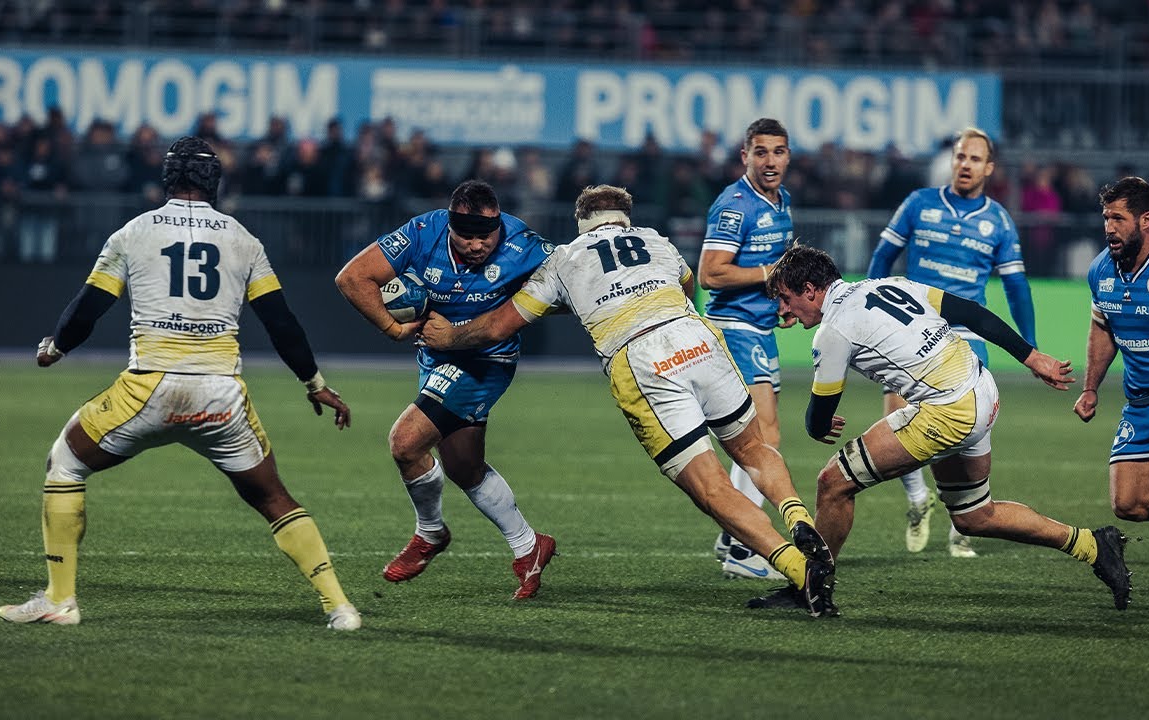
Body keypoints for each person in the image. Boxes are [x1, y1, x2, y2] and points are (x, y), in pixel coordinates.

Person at [0, 137, 362, 631]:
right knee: (273, 497)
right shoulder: (243, 239)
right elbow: (282, 323)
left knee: (65, 462)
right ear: (216, 181)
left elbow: (88, 308)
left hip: (149, 388)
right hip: (222, 396)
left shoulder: (134, 233)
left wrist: (56, 348)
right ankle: (340, 606)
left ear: (168, 178)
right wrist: (313, 382)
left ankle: (60, 600)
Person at [419, 185, 838, 616]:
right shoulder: (657, 240)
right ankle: (801, 522)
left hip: (643, 357)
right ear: (626, 219)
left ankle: (799, 569)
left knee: (710, 486)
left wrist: (451, 336)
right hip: (697, 336)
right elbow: (688, 284)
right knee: (753, 448)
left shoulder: (564, 259)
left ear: (580, 221)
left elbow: (498, 328)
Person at [756, 244, 1131, 612]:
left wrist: (818, 423)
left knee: (833, 483)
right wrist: (1032, 357)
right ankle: (1093, 545)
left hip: (948, 408)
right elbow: (971, 312)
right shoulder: (889, 284)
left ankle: (811, 588)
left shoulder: (833, 332)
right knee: (974, 515)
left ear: (811, 290)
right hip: (980, 389)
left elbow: (818, 418)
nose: (782, 309)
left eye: (787, 299)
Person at [335, 180, 557, 600]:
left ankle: (430, 533)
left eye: (485, 236)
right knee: (464, 466)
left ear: (498, 225)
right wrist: (392, 328)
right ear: (450, 226)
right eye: (466, 236)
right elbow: (353, 277)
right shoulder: (423, 232)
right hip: (435, 360)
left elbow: (571, 277)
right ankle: (530, 547)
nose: (477, 245)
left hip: (485, 362)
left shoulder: (523, 242)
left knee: (405, 443)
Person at [867, 127, 1037, 558]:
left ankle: (966, 519)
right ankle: (916, 500)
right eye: (961, 156)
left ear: (989, 168)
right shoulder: (920, 204)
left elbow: (1016, 287)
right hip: (911, 326)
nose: (965, 165)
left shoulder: (997, 220)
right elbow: (882, 259)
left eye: (975, 159)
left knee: (967, 430)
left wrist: (1030, 347)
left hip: (965, 334)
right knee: (899, 417)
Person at [698, 117, 796, 580]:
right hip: (732, 327)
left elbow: (772, 273)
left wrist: (784, 301)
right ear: (745, 156)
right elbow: (710, 273)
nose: (770, 161)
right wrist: (770, 274)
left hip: (759, 327)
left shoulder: (783, 204)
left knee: (757, 438)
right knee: (763, 437)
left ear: (788, 156)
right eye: (761, 152)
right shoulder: (735, 206)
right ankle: (742, 547)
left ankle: (734, 535)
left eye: (777, 152)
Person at [1074, 176, 1149, 523]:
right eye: (1106, 218)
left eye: (1118, 219)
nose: (1109, 228)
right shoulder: (1100, 270)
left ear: (1146, 220)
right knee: (1129, 504)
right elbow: (1102, 328)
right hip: (1141, 399)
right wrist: (1090, 389)